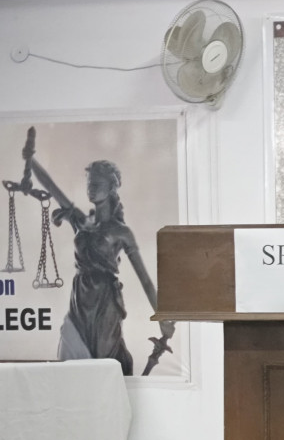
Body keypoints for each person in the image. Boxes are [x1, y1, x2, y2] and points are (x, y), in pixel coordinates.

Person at [22, 129, 174, 375]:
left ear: (111, 187)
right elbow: (50, 185)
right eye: (89, 184)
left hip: (104, 300)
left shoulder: (121, 232)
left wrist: (163, 317)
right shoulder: (80, 221)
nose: (90, 188)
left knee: (102, 362)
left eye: (96, 184)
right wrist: (30, 159)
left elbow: (145, 280)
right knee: (72, 354)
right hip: (80, 296)